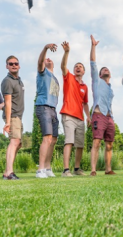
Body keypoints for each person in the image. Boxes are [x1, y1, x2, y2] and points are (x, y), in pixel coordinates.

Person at [59, 41, 90, 177]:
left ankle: (77, 169)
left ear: (83, 71)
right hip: (68, 115)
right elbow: (63, 66)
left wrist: (88, 116)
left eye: (80, 67)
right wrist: (66, 52)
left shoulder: (85, 87)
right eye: (76, 66)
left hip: (80, 118)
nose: (78, 68)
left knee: (80, 145)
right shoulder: (69, 77)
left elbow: (85, 104)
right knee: (69, 142)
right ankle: (66, 170)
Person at [89, 35, 116, 176]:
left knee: (109, 145)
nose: (106, 70)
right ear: (99, 75)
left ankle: (108, 169)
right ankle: (93, 170)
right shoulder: (96, 82)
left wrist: (112, 118)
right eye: (103, 70)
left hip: (109, 117)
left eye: (107, 70)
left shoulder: (110, 88)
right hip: (98, 116)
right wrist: (93, 46)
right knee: (97, 142)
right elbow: (93, 62)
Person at [35, 43, 60, 178]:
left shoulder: (55, 79)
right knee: (47, 138)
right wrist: (45, 48)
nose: (48, 59)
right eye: (46, 59)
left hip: (53, 109)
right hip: (43, 106)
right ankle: (40, 169)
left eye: (50, 59)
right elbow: (40, 62)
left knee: (53, 139)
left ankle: (48, 167)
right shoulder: (42, 72)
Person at [1, 55, 25, 180]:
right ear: (7, 66)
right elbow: (8, 101)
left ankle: (6, 171)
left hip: (19, 116)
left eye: (16, 63)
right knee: (14, 141)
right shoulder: (8, 80)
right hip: (13, 115)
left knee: (18, 143)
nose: (14, 65)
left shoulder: (19, 81)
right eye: (11, 64)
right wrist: (8, 121)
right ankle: (9, 172)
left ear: (19, 65)